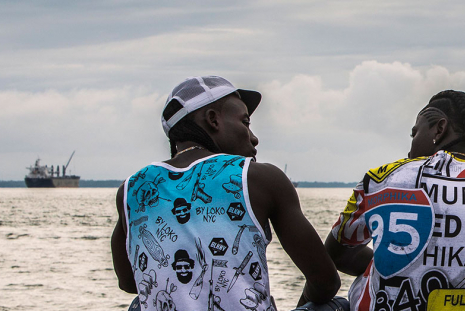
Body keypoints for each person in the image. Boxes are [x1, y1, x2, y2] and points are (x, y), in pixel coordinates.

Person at [110, 76, 340, 311]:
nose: (253, 137)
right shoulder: (258, 178)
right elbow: (325, 281)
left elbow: (129, 282)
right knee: (336, 304)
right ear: (213, 120)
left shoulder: (132, 189)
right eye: (245, 122)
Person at [326, 90, 465, 311]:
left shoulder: (381, 178)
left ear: (440, 129)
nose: (410, 150)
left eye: (415, 133)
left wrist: (400, 262)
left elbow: (338, 254)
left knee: (367, 279)